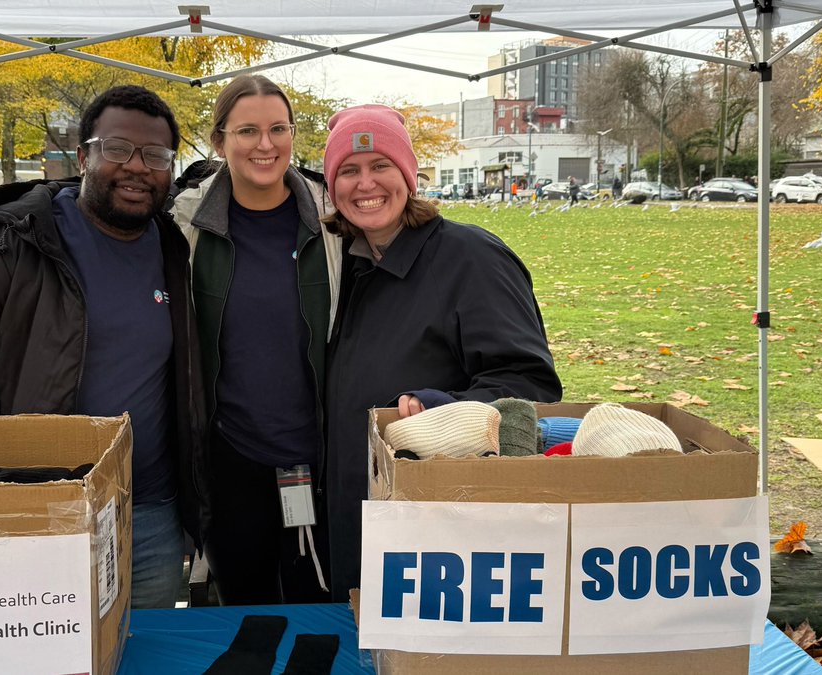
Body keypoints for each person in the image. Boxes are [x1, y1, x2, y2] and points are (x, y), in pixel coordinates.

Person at [0, 85, 203, 610]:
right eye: (118, 149)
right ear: (83, 156)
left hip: (150, 515)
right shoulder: (11, 241)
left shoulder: (171, 249)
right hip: (36, 506)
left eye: (156, 156)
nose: (138, 167)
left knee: (144, 655)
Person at [321, 104, 563, 601]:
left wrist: (446, 408)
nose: (365, 184)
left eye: (380, 166)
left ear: (408, 175)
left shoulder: (470, 257)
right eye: (348, 170)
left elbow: (530, 384)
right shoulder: (338, 265)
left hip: (439, 527)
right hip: (350, 513)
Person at [169, 74, 343, 606]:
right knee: (245, 611)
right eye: (247, 131)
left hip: (320, 458)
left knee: (319, 612)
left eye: (278, 129)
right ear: (219, 140)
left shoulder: (335, 218)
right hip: (230, 462)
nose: (265, 145)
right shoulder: (185, 223)